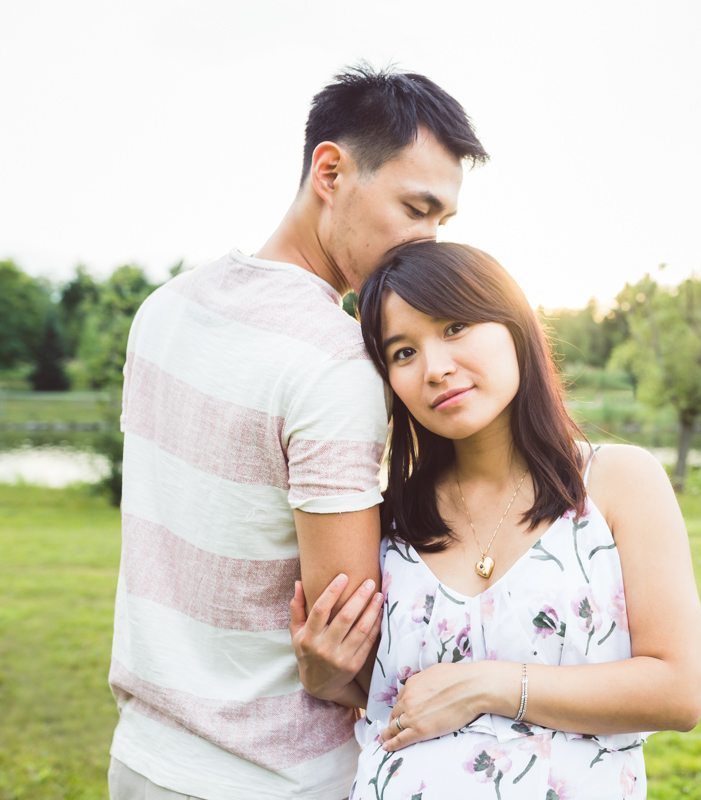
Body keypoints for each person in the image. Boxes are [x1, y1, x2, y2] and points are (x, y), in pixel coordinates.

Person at [108, 67, 487, 800]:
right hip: (274, 777)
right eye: (417, 208)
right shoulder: (339, 364)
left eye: (443, 222)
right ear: (331, 171)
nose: (429, 243)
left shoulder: (164, 308)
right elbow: (347, 642)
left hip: (142, 760)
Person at [294, 240, 701, 799]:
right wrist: (329, 678)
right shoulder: (389, 518)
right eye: (402, 352)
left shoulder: (619, 483)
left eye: (455, 326)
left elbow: (677, 690)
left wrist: (489, 685)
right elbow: (396, 692)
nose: (435, 368)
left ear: (515, 324)